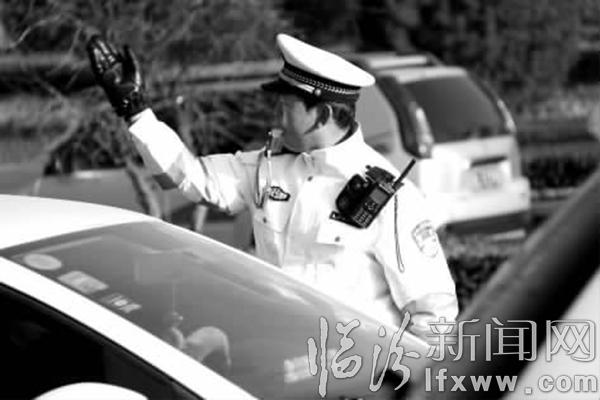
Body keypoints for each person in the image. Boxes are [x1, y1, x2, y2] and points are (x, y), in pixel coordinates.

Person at [87, 33, 458, 340]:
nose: (275, 118)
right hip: (280, 366)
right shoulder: (268, 166)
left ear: (322, 115)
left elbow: (434, 316)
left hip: (353, 378)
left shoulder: (391, 197)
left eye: (285, 107)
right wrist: (135, 110)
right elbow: (188, 178)